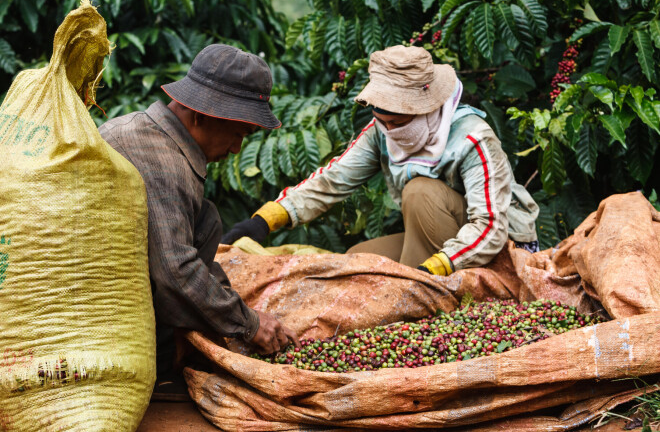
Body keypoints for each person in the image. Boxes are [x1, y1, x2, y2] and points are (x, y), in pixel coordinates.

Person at [222, 45, 540, 275]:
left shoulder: (473, 138)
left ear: (425, 108)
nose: (388, 130)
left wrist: (434, 269)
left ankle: (422, 298)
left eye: (397, 123)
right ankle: (413, 282)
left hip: (496, 247)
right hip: (439, 235)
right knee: (359, 261)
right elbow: (334, 179)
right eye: (382, 121)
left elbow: (489, 228)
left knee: (419, 193)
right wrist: (266, 220)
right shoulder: (381, 132)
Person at [99, 44, 299, 385]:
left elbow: (189, 250)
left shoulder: (145, 133)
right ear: (202, 114)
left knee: (206, 218)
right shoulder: (162, 161)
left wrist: (232, 309)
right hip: (104, 313)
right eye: (239, 133)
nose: (236, 148)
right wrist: (248, 324)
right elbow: (176, 271)